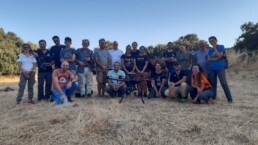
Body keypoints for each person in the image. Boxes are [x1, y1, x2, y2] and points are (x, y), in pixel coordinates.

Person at [207, 36, 233, 103]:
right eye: (210, 41)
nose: (211, 42)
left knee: (223, 83)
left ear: (216, 40)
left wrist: (215, 47)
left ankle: (229, 99)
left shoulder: (221, 46)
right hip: (211, 68)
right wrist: (216, 59)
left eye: (212, 40)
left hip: (220, 67)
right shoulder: (210, 50)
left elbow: (219, 55)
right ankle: (213, 97)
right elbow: (209, 59)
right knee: (213, 83)